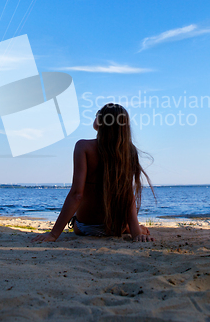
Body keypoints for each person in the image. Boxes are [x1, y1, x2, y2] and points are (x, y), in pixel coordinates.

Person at [33, 103, 154, 242]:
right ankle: (132, 228)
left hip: (86, 227)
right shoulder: (129, 151)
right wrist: (136, 233)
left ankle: (133, 228)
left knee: (76, 224)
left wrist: (53, 234)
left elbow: (77, 194)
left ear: (102, 121)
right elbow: (128, 197)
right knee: (127, 216)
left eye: (98, 113)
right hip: (116, 227)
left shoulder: (83, 147)